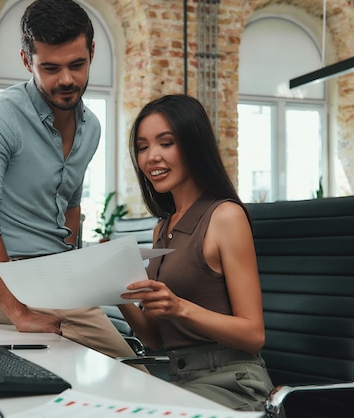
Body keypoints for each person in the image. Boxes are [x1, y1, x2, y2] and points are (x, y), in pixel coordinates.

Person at [0, 0, 138, 360]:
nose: (67, 79)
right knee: (135, 373)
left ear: (92, 52)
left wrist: (71, 266)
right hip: (19, 282)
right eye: (50, 68)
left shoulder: (92, 129)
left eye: (77, 64)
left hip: (61, 278)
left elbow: (71, 204)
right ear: (27, 62)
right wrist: (18, 312)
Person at [118, 94, 275, 410]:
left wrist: (178, 307)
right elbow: (156, 337)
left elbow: (253, 334)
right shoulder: (162, 228)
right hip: (180, 379)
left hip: (233, 383)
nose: (152, 157)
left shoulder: (225, 216)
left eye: (166, 143)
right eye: (143, 147)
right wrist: (110, 291)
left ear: (193, 145)